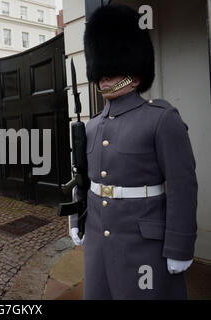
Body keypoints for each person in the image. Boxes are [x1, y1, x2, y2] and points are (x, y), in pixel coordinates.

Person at [69, 4, 197, 299]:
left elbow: (182, 186)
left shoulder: (162, 119)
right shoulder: (91, 127)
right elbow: (84, 181)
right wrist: (77, 218)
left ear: (135, 76)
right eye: (102, 73)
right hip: (99, 242)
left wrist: (180, 246)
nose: (104, 79)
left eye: (113, 73)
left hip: (144, 244)